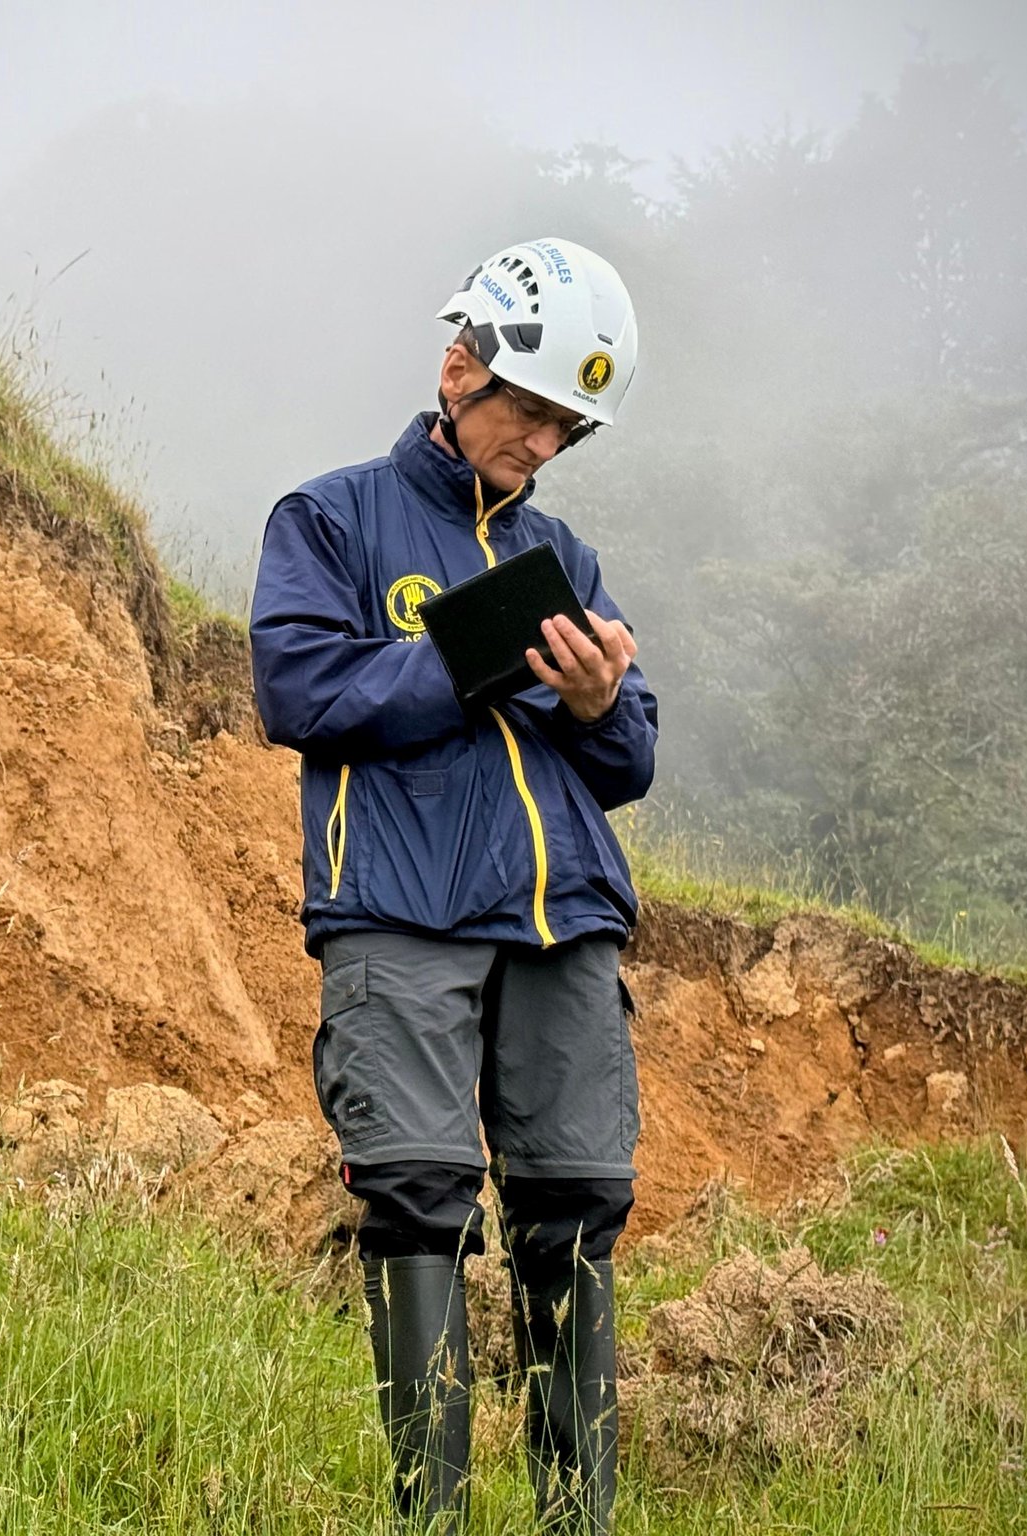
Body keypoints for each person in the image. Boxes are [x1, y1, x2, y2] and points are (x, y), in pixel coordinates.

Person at [249, 238, 657, 1533]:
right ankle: (431, 1520)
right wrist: (471, 659)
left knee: (576, 1208)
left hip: (564, 919)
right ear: (459, 363)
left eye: (564, 427)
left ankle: (572, 1523)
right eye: (528, 411)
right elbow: (299, 689)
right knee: (419, 1191)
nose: (539, 444)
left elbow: (631, 754)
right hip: (402, 905)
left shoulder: (570, 561)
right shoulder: (329, 519)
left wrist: (597, 700)